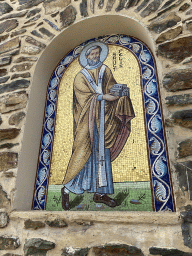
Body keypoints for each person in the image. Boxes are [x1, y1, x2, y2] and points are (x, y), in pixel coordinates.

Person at [61, 43, 135, 210]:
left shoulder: (105, 70)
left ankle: (100, 194)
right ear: (87, 56)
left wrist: (119, 95)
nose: (95, 56)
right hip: (87, 122)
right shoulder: (80, 76)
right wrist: (102, 98)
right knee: (82, 153)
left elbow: (111, 88)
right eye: (92, 54)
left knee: (103, 154)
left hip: (104, 120)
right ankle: (66, 189)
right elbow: (83, 98)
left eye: (97, 54)